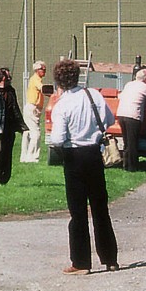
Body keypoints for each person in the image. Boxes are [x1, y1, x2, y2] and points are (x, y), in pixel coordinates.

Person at [46, 58, 119, 274]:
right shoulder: (93, 95)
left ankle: (81, 262)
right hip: (94, 154)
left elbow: (57, 139)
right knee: (100, 208)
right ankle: (110, 259)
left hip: (74, 156)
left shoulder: (62, 105)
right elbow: (108, 120)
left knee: (78, 212)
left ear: (59, 81)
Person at [116, 67, 146, 172]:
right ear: (145, 78)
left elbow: (120, 96)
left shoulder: (129, 84)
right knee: (133, 142)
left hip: (121, 114)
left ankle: (125, 164)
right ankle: (132, 166)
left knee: (126, 142)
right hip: (133, 116)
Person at [20, 60, 47, 163]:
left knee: (27, 133)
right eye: (42, 69)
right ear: (37, 70)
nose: (44, 71)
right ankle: (32, 157)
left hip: (31, 108)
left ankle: (24, 157)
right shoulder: (36, 79)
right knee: (36, 133)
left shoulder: (35, 79)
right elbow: (43, 89)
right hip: (32, 108)